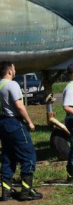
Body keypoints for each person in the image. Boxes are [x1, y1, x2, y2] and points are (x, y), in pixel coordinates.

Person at [0, 61, 42, 201]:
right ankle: (26, 191)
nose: (15, 70)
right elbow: (19, 106)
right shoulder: (12, 84)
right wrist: (29, 122)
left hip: (2, 123)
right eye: (14, 68)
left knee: (8, 156)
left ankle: (6, 191)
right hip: (14, 122)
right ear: (10, 71)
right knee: (28, 155)